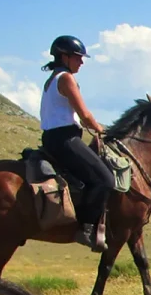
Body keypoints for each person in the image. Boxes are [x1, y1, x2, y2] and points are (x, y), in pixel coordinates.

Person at [39, 35, 115, 252]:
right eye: (78, 57)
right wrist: (103, 131)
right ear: (65, 56)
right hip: (65, 139)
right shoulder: (65, 78)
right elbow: (84, 115)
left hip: (54, 138)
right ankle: (86, 228)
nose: (81, 62)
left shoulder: (52, 79)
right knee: (106, 179)